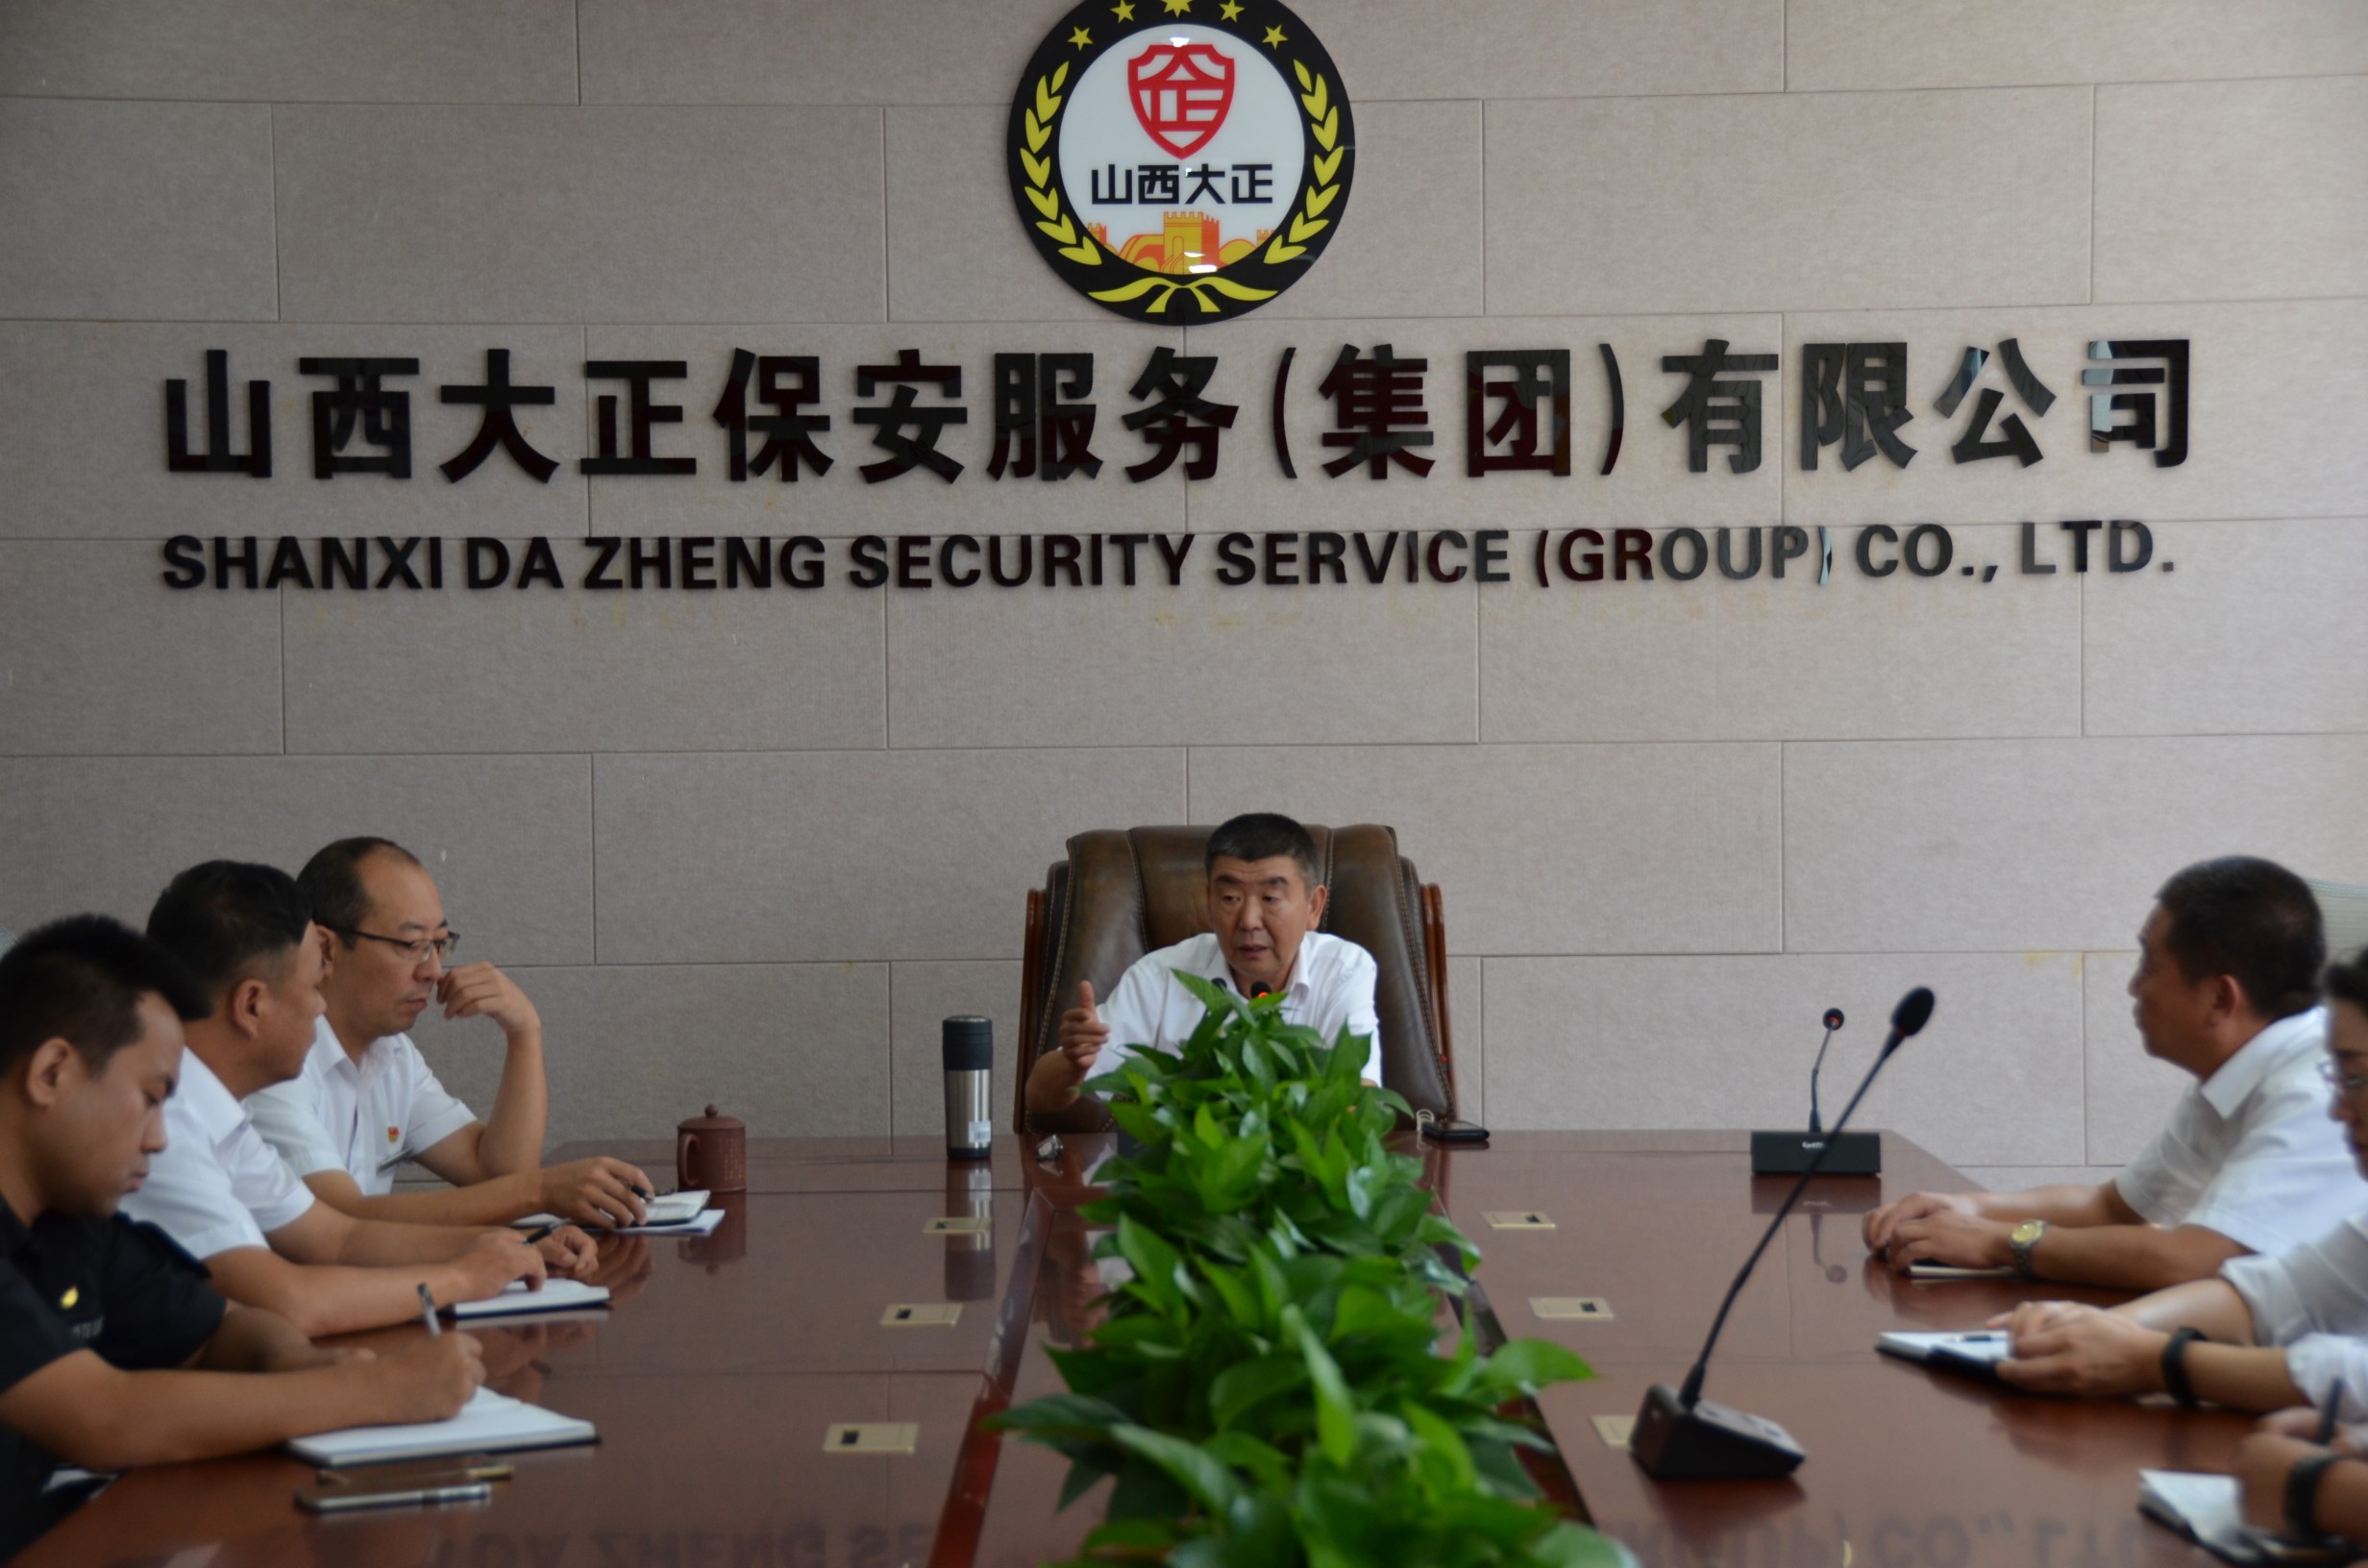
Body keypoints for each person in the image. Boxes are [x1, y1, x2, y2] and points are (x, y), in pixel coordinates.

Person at [0, 916, 483, 1558]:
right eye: (149, 1097)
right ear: (51, 1072)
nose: (159, 1138)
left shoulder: (74, 1225)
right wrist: (373, 1391)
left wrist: (295, 1363)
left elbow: (223, 1327)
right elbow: (103, 1417)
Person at [124, 861, 582, 1337]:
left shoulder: (221, 1113)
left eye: (439, 944)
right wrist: (463, 1277)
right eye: (311, 987)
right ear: (252, 1005)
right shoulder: (163, 1128)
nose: (320, 1006)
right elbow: (293, 1299)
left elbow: (337, 1238)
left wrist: (514, 1245)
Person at [1864, 857, 2359, 1290]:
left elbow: (2190, 1261)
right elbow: (2112, 1208)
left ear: (2219, 997)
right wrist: (1968, 1209)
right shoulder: (2237, 1073)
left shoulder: (2314, 1089)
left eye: (2149, 963)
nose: (2134, 986)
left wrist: (2002, 1242)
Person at [1984, 949, 2368, 1417]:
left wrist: (2153, 1361)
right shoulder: (2224, 1082)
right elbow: (2266, 1298)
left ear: (2221, 996)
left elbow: (2349, 1373)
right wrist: (2093, 1329)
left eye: (2354, 1078)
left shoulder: (2298, 1090)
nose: (2337, 1110)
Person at [245, 838, 653, 1228]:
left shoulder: (392, 1054)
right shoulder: (274, 1062)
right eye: (412, 945)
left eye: (439, 943)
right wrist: (542, 1191)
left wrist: (525, 1032)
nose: (434, 970)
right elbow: (336, 1222)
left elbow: (497, 1176)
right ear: (325, 948)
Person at [1024, 814, 1380, 1116]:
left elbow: (1359, 1100)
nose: (1249, 920)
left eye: (1271, 898)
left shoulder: (1343, 969)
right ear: (1209, 902)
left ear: (1313, 906)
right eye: (1230, 898)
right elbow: (1038, 1099)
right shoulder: (1161, 976)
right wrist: (1073, 1064)